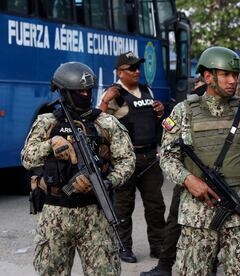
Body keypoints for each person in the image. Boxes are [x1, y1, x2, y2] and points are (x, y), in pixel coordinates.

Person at [159, 46, 240, 275]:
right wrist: (189, 179)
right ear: (208, 76)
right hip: (196, 215)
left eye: (235, 75)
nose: (233, 81)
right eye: (225, 75)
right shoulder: (184, 112)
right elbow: (167, 156)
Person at [21, 61, 136, 276]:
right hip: (55, 215)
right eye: (79, 91)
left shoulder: (106, 123)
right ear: (64, 92)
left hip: (95, 214)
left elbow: (127, 161)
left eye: (88, 90)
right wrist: (51, 144)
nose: (85, 95)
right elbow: (27, 158)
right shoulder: (46, 122)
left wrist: (107, 182)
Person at [99, 51, 166, 263]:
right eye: (132, 68)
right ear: (120, 72)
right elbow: (98, 125)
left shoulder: (147, 90)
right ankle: (123, 247)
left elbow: (154, 122)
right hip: (125, 159)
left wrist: (160, 112)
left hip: (149, 157)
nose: (137, 71)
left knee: (155, 205)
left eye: (138, 67)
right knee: (123, 206)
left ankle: (158, 246)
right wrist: (104, 103)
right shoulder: (113, 94)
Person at [140, 77, 208, 276]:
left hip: (218, 179)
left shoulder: (231, 109)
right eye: (197, 86)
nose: (198, 90)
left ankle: (205, 265)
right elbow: (169, 142)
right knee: (175, 221)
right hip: (190, 176)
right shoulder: (184, 109)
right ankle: (164, 265)